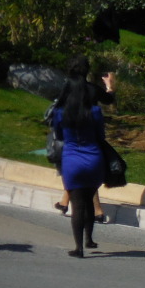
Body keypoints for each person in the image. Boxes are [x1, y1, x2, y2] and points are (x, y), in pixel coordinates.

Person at [50, 55, 107, 258]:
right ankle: (89, 239)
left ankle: (78, 248)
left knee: (77, 204)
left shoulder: (60, 113)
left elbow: (57, 133)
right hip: (94, 159)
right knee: (90, 201)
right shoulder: (96, 112)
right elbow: (101, 135)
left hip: (72, 160)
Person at [54, 69, 115, 222]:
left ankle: (91, 210)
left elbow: (58, 118)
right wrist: (109, 86)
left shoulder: (68, 89)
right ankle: (70, 203)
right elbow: (108, 100)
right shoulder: (93, 94)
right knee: (87, 174)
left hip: (72, 137)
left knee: (77, 172)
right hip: (89, 138)